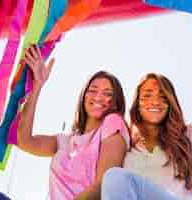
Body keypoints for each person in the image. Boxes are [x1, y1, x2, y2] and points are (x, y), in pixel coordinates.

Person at [101, 0, 192, 199]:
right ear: (137, 106)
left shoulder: (190, 135)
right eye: (147, 96)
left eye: (162, 96)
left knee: (115, 178)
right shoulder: (127, 146)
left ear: (170, 104)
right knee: (113, 179)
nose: (155, 101)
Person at [17, 46, 130, 200]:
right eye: (93, 90)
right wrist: (37, 85)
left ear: (115, 102)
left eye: (107, 93)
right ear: (84, 96)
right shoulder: (65, 141)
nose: (98, 97)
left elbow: (104, 186)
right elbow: (24, 141)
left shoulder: (113, 123)